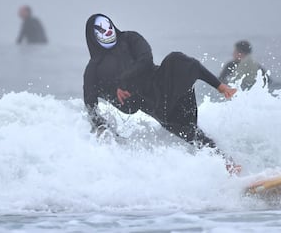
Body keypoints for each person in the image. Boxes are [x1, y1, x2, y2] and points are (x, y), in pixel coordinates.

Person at [83, 14, 240, 173]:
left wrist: (123, 81)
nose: (107, 31)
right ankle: (228, 166)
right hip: (156, 107)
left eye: (108, 26)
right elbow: (90, 103)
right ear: (94, 36)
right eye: (101, 29)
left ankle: (221, 87)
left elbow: (145, 59)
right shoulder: (94, 70)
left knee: (177, 59)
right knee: (191, 132)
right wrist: (103, 129)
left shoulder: (129, 38)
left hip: (165, 82)